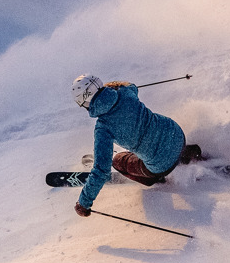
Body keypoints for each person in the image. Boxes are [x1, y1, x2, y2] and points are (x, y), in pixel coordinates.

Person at [69, 74, 202, 216]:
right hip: (177, 135)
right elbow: (132, 86)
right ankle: (185, 153)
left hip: (160, 164)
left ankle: (156, 177)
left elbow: (102, 171)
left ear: (85, 102)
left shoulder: (103, 128)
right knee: (149, 139)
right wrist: (115, 86)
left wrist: (83, 203)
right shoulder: (125, 93)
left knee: (118, 161)